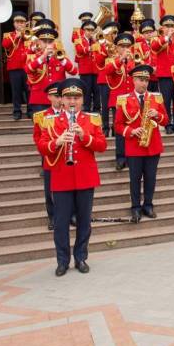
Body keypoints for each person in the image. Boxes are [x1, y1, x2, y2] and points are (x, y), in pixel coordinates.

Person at [37, 78, 107, 277]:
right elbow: (42, 146)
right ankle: (62, 260)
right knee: (61, 223)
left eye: (76, 97)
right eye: (68, 97)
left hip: (85, 177)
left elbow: (102, 146)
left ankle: (81, 257)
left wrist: (85, 136)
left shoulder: (91, 119)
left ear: (82, 99)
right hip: (61, 177)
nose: (72, 101)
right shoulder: (50, 120)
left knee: (84, 221)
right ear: (61, 100)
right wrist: (57, 142)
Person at [115, 65, 167, 223]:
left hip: (153, 146)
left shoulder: (156, 98)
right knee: (135, 179)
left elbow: (166, 120)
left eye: (146, 80)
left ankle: (148, 205)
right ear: (134, 80)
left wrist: (157, 115)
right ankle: (135, 207)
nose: (144, 83)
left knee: (151, 178)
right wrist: (131, 131)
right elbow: (117, 125)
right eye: (141, 80)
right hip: (134, 146)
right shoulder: (123, 99)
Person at [33, 81, 68, 230]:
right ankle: (53, 216)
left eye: (61, 96)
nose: (59, 99)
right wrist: (50, 146)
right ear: (49, 97)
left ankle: (69, 214)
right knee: (50, 189)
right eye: (56, 96)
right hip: (50, 156)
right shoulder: (41, 116)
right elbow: (37, 137)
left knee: (68, 187)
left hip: (67, 156)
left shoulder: (70, 114)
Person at [25, 26, 77, 115]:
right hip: (39, 99)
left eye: (50, 42)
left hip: (58, 99)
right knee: (40, 126)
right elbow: (28, 69)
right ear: (39, 42)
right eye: (44, 41)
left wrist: (62, 60)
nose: (47, 44)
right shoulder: (33, 57)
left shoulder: (60, 56)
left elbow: (74, 71)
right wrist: (42, 57)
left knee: (59, 127)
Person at [105, 32, 137, 170]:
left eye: (127, 46)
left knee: (132, 129)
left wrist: (130, 62)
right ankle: (120, 157)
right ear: (116, 48)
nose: (125, 48)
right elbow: (108, 71)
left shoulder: (134, 60)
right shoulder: (111, 60)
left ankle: (131, 156)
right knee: (119, 131)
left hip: (132, 100)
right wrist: (121, 59)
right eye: (122, 46)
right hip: (118, 101)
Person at [2, 12, 30, 120]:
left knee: (29, 90)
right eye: (17, 22)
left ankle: (30, 110)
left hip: (28, 67)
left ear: (25, 23)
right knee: (16, 91)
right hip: (14, 67)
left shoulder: (29, 34)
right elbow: (5, 45)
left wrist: (25, 35)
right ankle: (17, 111)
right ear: (14, 24)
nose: (20, 24)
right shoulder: (8, 35)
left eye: (22, 22)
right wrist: (16, 37)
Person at [74, 20, 99, 112]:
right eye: (88, 30)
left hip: (96, 70)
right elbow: (80, 50)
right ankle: (87, 109)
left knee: (97, 91)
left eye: (92, 30)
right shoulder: (79, 40)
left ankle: (97, 110)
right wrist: (91, 47)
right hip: (85, 70)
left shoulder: (96, 41)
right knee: (86, 91)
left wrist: (96, 42)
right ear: (84, 30)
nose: (90, 32)